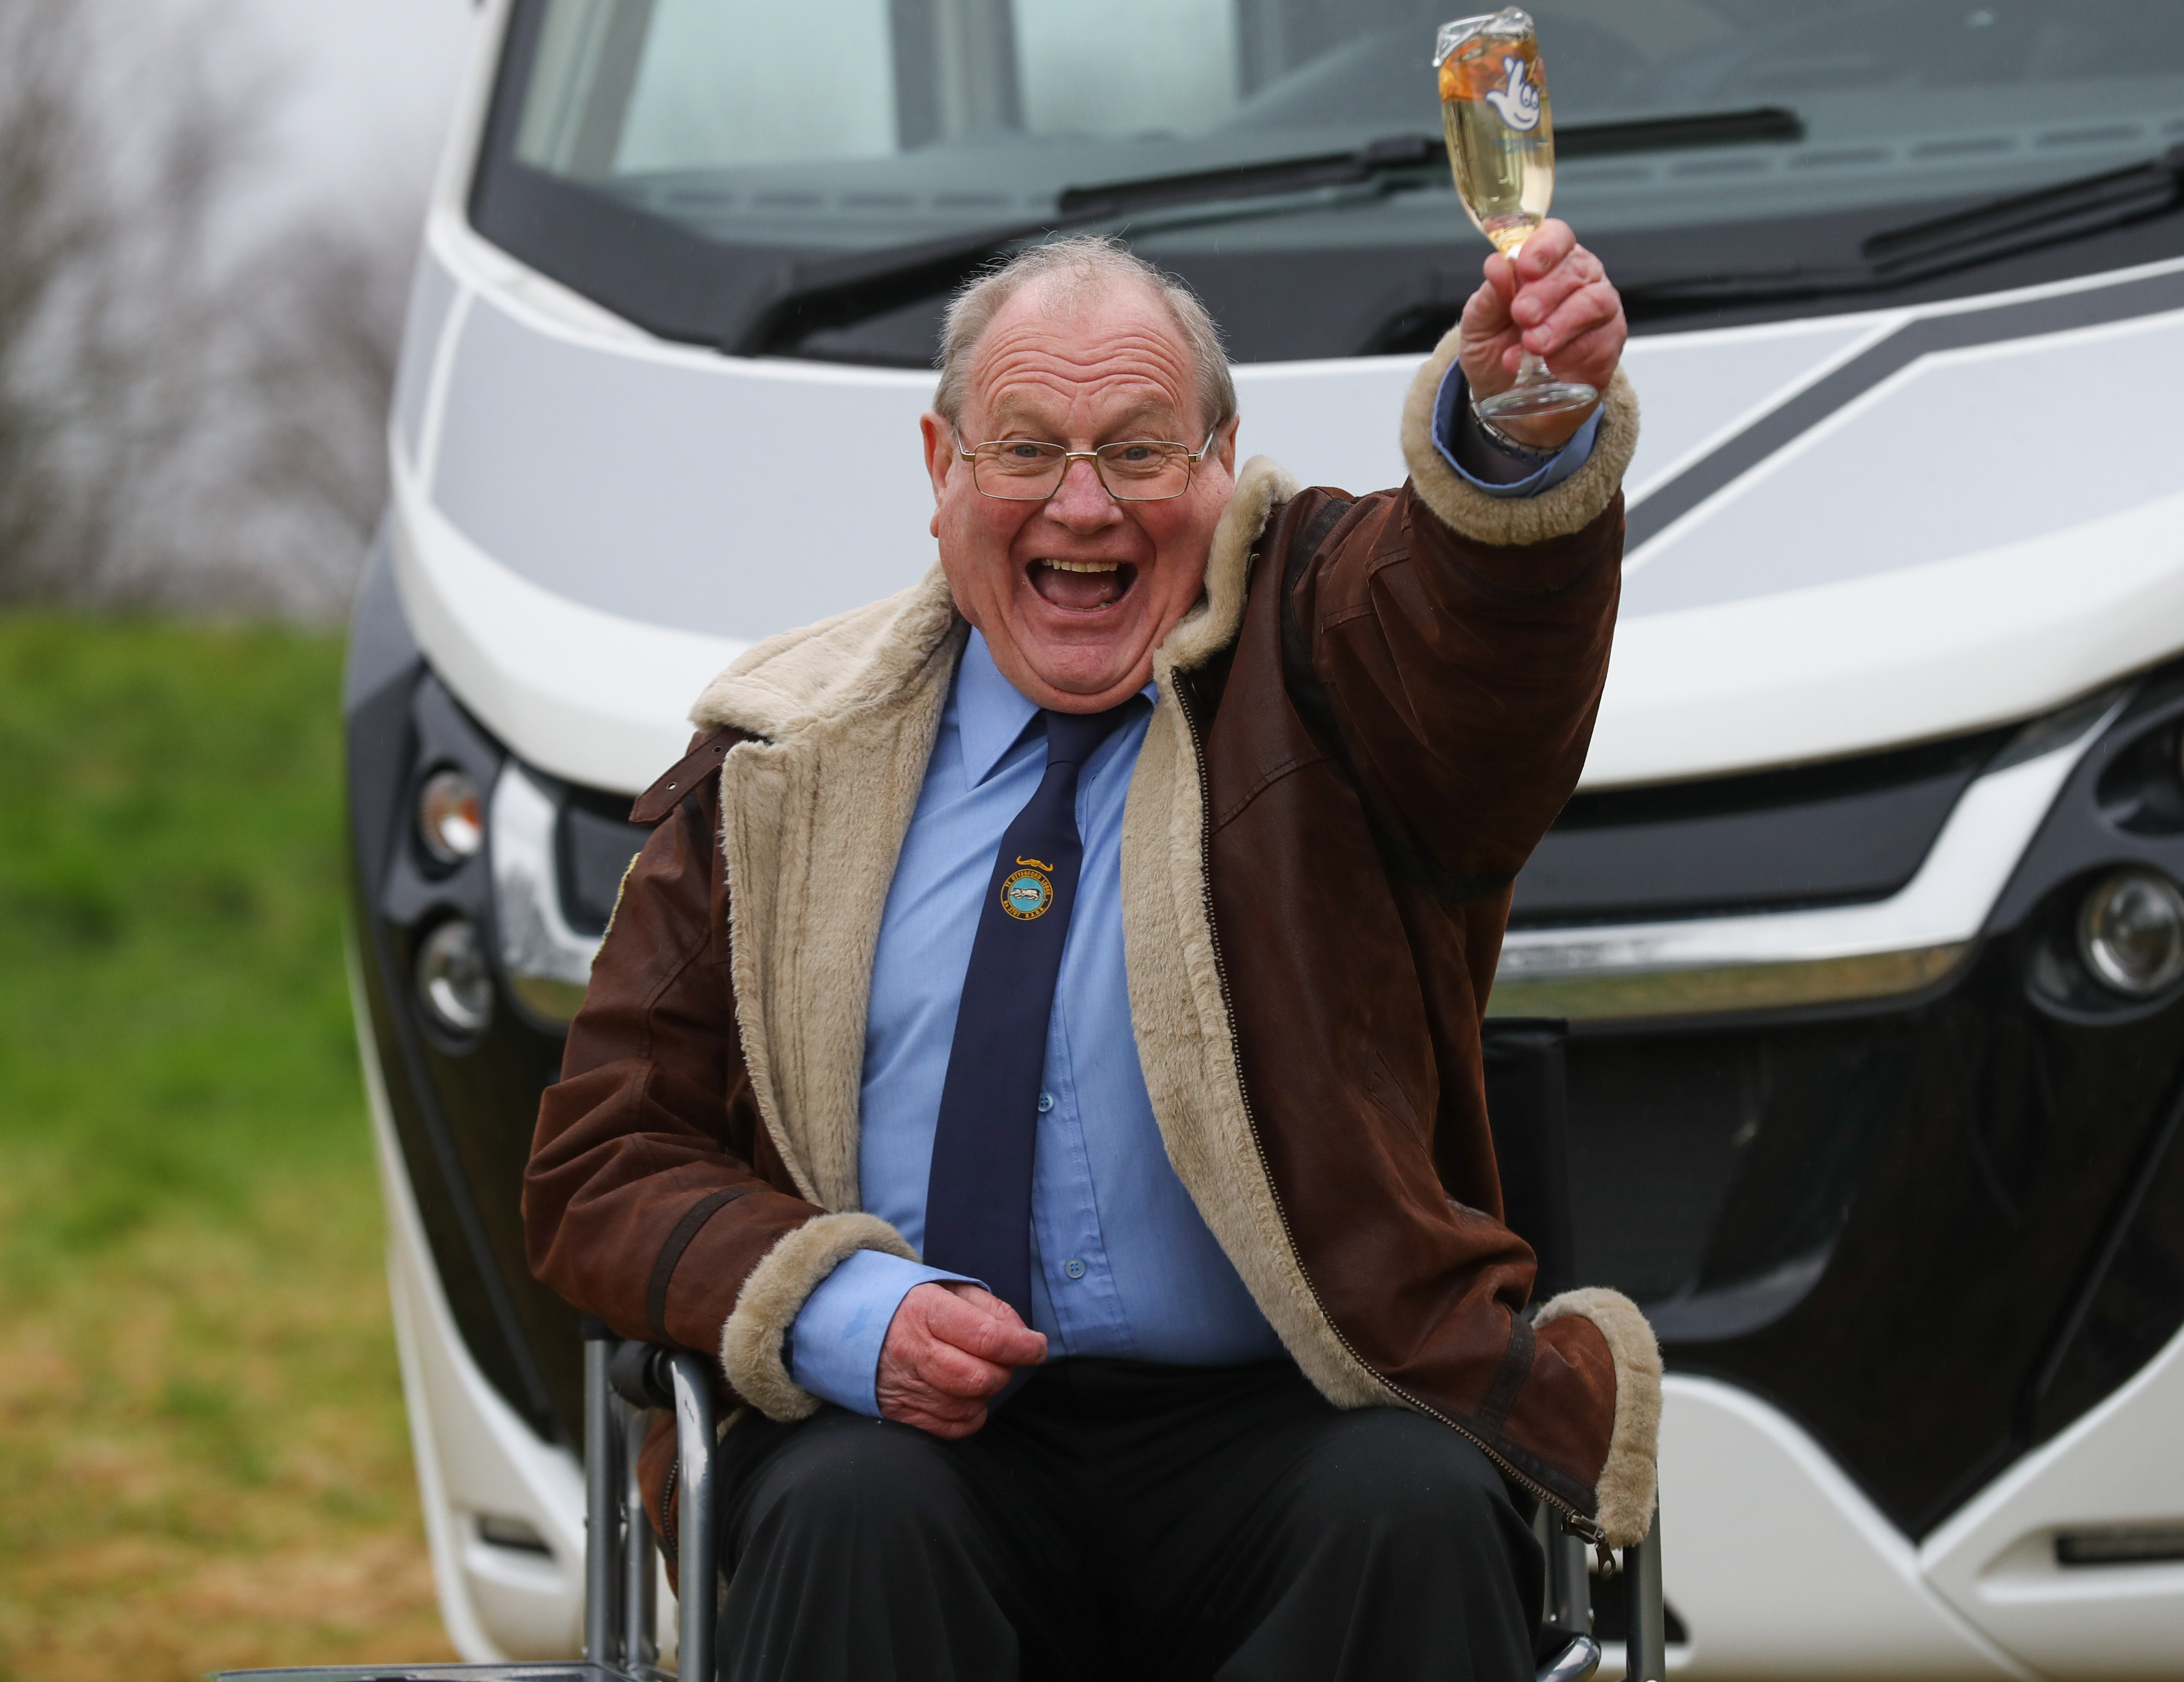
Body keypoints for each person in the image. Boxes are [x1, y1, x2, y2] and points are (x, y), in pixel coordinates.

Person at [523, 220, 1657, 1682]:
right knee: (851, 1517)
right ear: (942, 471)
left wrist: (1519, 432)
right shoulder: (780, 761)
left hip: (1287, 1417)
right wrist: (837, 1311)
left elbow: (1473, 647)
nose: (1085, 504)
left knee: (1413, 1508)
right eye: (1025, 450)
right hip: (906, 1434)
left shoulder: (1323, 650)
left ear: (1220, 462)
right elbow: (601, 1159)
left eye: (1137, 450)